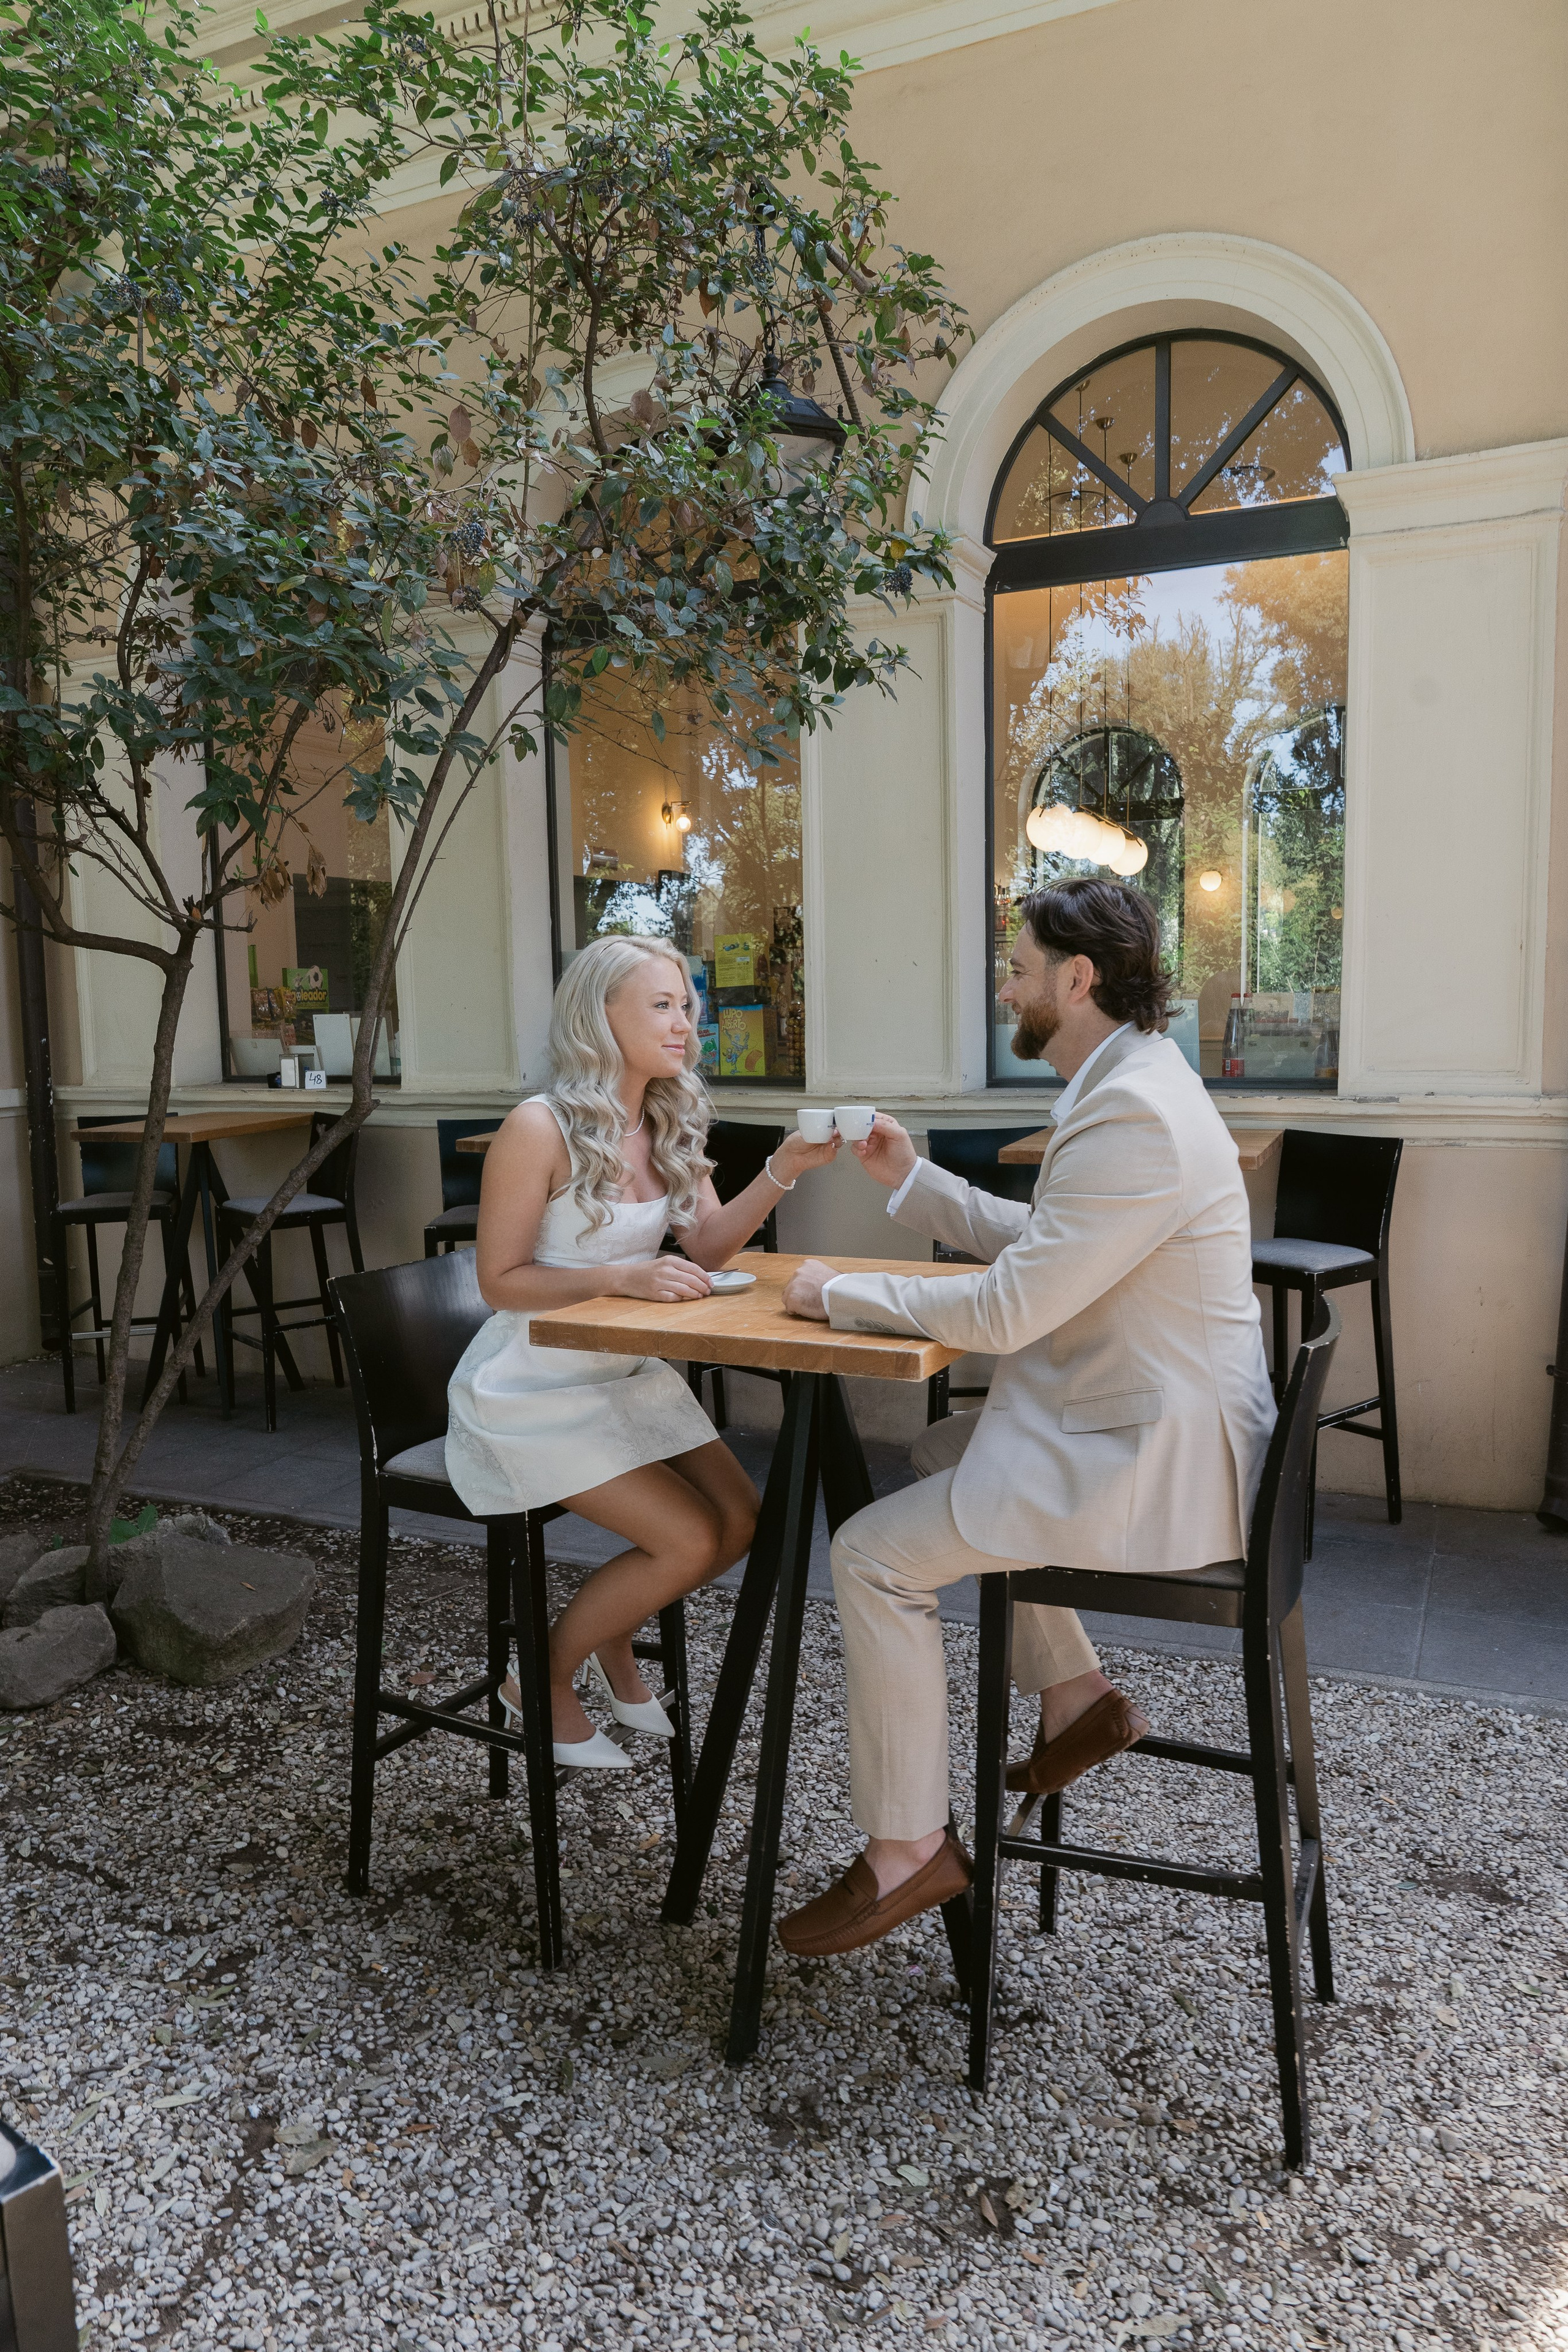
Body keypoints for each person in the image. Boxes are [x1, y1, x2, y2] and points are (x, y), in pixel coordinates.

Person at [772, 877, 1276, 1955]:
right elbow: (1054, 1239)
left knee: (869, 1555)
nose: (1008, 988)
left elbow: (1010, 1309)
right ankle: (1078, 1696)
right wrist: (915, 1185)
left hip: (1157, 1461)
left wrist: (843, 1294)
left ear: (1077, 979)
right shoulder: (1136, 1083)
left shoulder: (1134, 1108)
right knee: (950, 1446)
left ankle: (908, 1850)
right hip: (1152, 1429)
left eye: (1018, 968)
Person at [445, 933, 839, 1768]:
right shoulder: (537, 1127)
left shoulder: (665, 1116)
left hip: (621, 1370)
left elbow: (709, 1249)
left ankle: (611, 1634)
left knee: (741, 1522)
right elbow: (500, 1281)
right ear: (600, 1015)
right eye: (662, 1006)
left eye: (686, 1007)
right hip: (533, 1382)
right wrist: (623, 1276)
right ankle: (542, 1679)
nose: (685, 1026)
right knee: (690, 1541)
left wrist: (784, 1167)